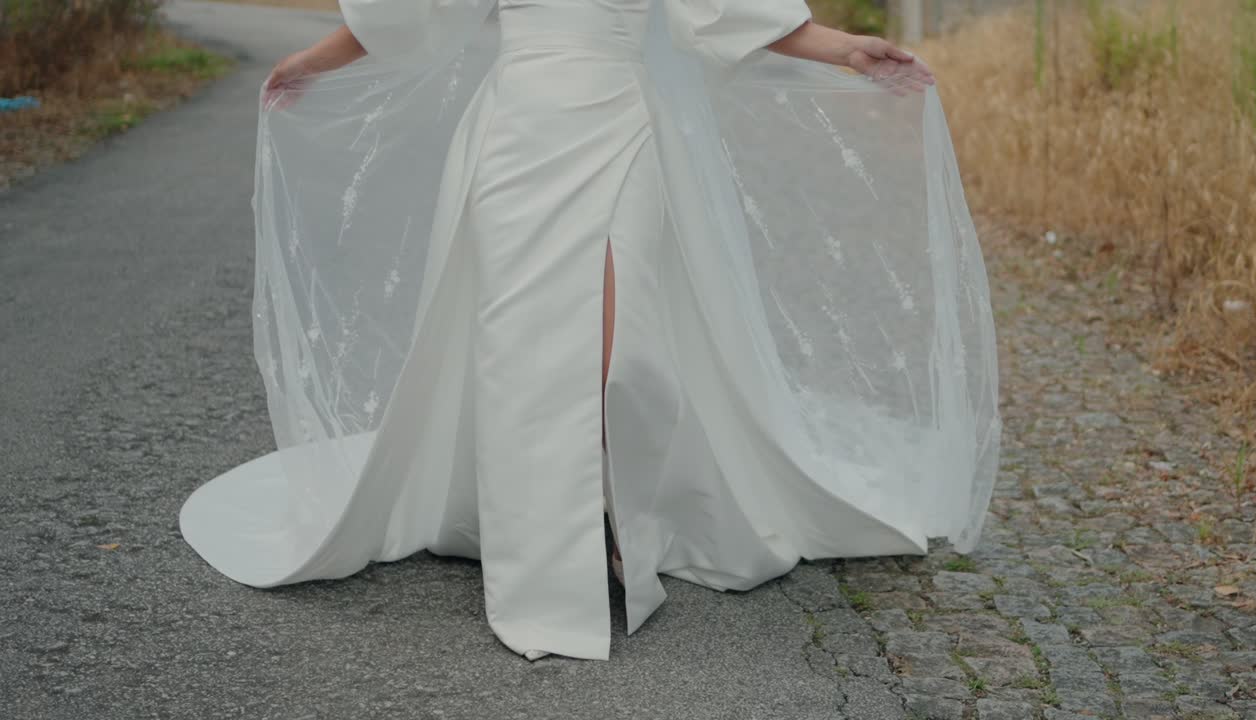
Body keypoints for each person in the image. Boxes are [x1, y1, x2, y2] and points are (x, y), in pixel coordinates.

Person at [180, 0, 1002, 662]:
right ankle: (551, 555)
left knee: (626, 353)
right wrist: (314, 60)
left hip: (621, 132)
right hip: (516, 141)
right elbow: (420, 10)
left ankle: (616, 506)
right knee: (525, 353)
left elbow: (721, 11)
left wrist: (841, 49)